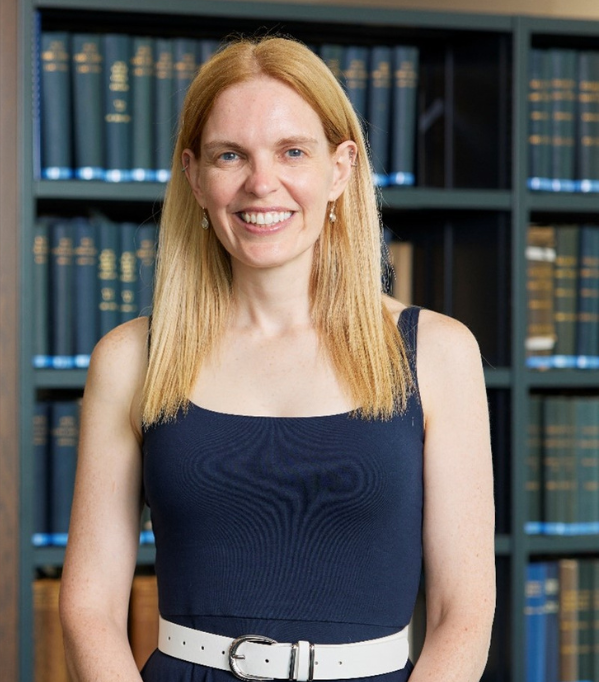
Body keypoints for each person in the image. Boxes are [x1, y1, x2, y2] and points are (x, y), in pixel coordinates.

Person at [59, 35, 495, 682]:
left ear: (341, 169)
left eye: (293, 151)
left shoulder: (439, 354)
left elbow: (464, 612)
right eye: (229, 155)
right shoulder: (129, 360)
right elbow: (88, 609)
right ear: (194, 176)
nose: (262, 184)